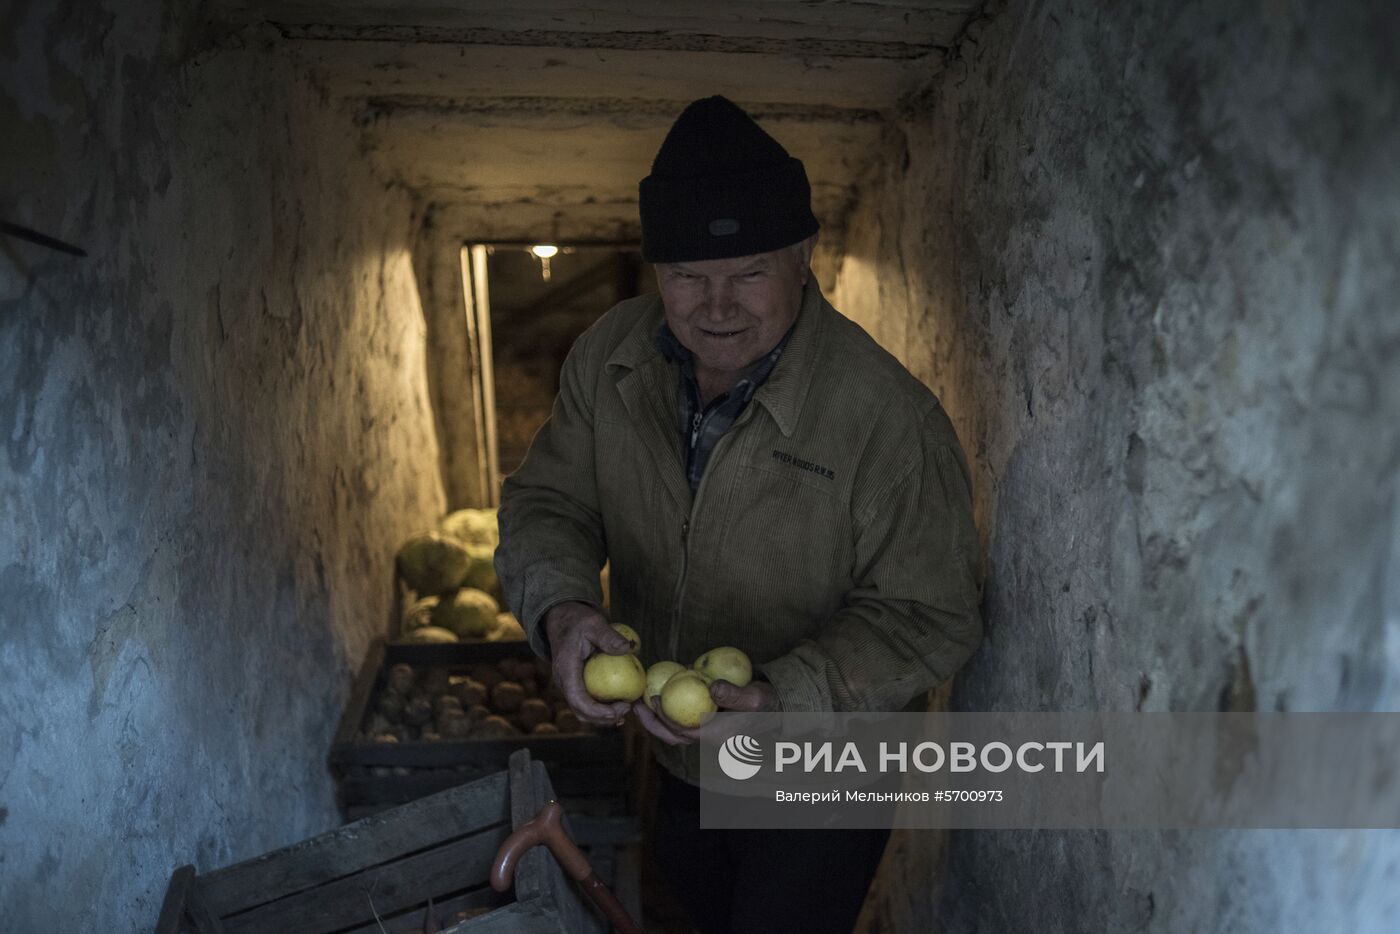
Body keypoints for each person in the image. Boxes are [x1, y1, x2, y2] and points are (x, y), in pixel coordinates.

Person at [496, 95, 982, 934]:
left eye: (749, 272)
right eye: (688, 276)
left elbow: (931, 614)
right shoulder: (611, 356)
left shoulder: (887, 418)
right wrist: (565, 609)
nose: (716, 306)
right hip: (679, 755)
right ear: (656, 271)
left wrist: (785, 695)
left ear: (803, 255)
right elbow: (549, 501)